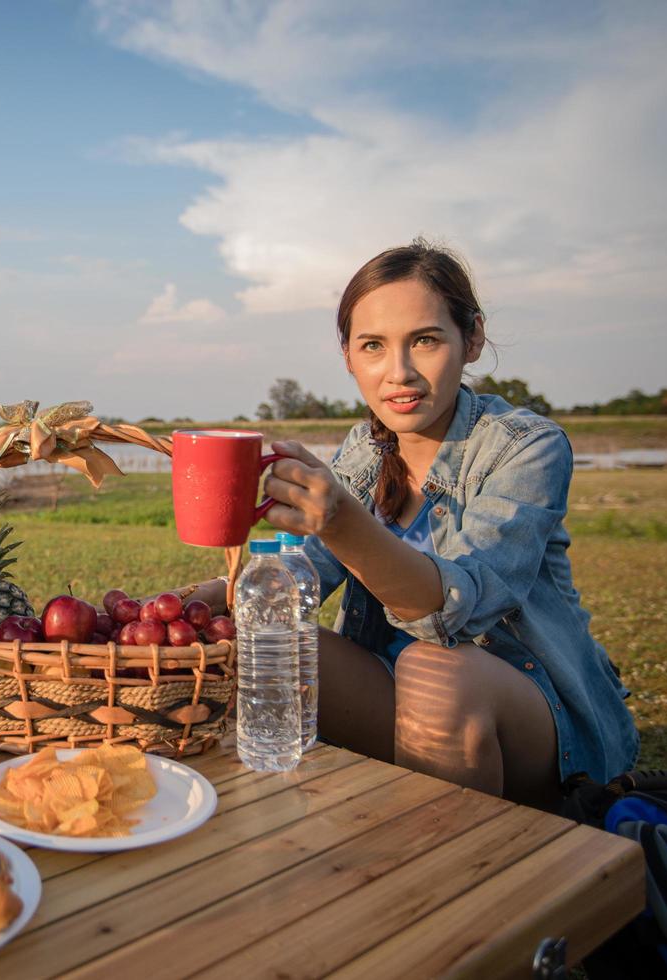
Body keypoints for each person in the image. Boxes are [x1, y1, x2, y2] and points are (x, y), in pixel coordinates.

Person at [214, 240, 636, 809]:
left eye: (426, 340)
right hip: (400, 706)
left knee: (436, 670)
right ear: (348, 356)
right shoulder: (365, 449)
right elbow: (300, 574)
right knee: (264, 635)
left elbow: (454, 614)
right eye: (373, 346)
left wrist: (341, 520)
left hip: (530, 724)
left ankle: (446, 874)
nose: (400, 373)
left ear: (473, 339)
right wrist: (185, 601)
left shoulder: (526, 446)